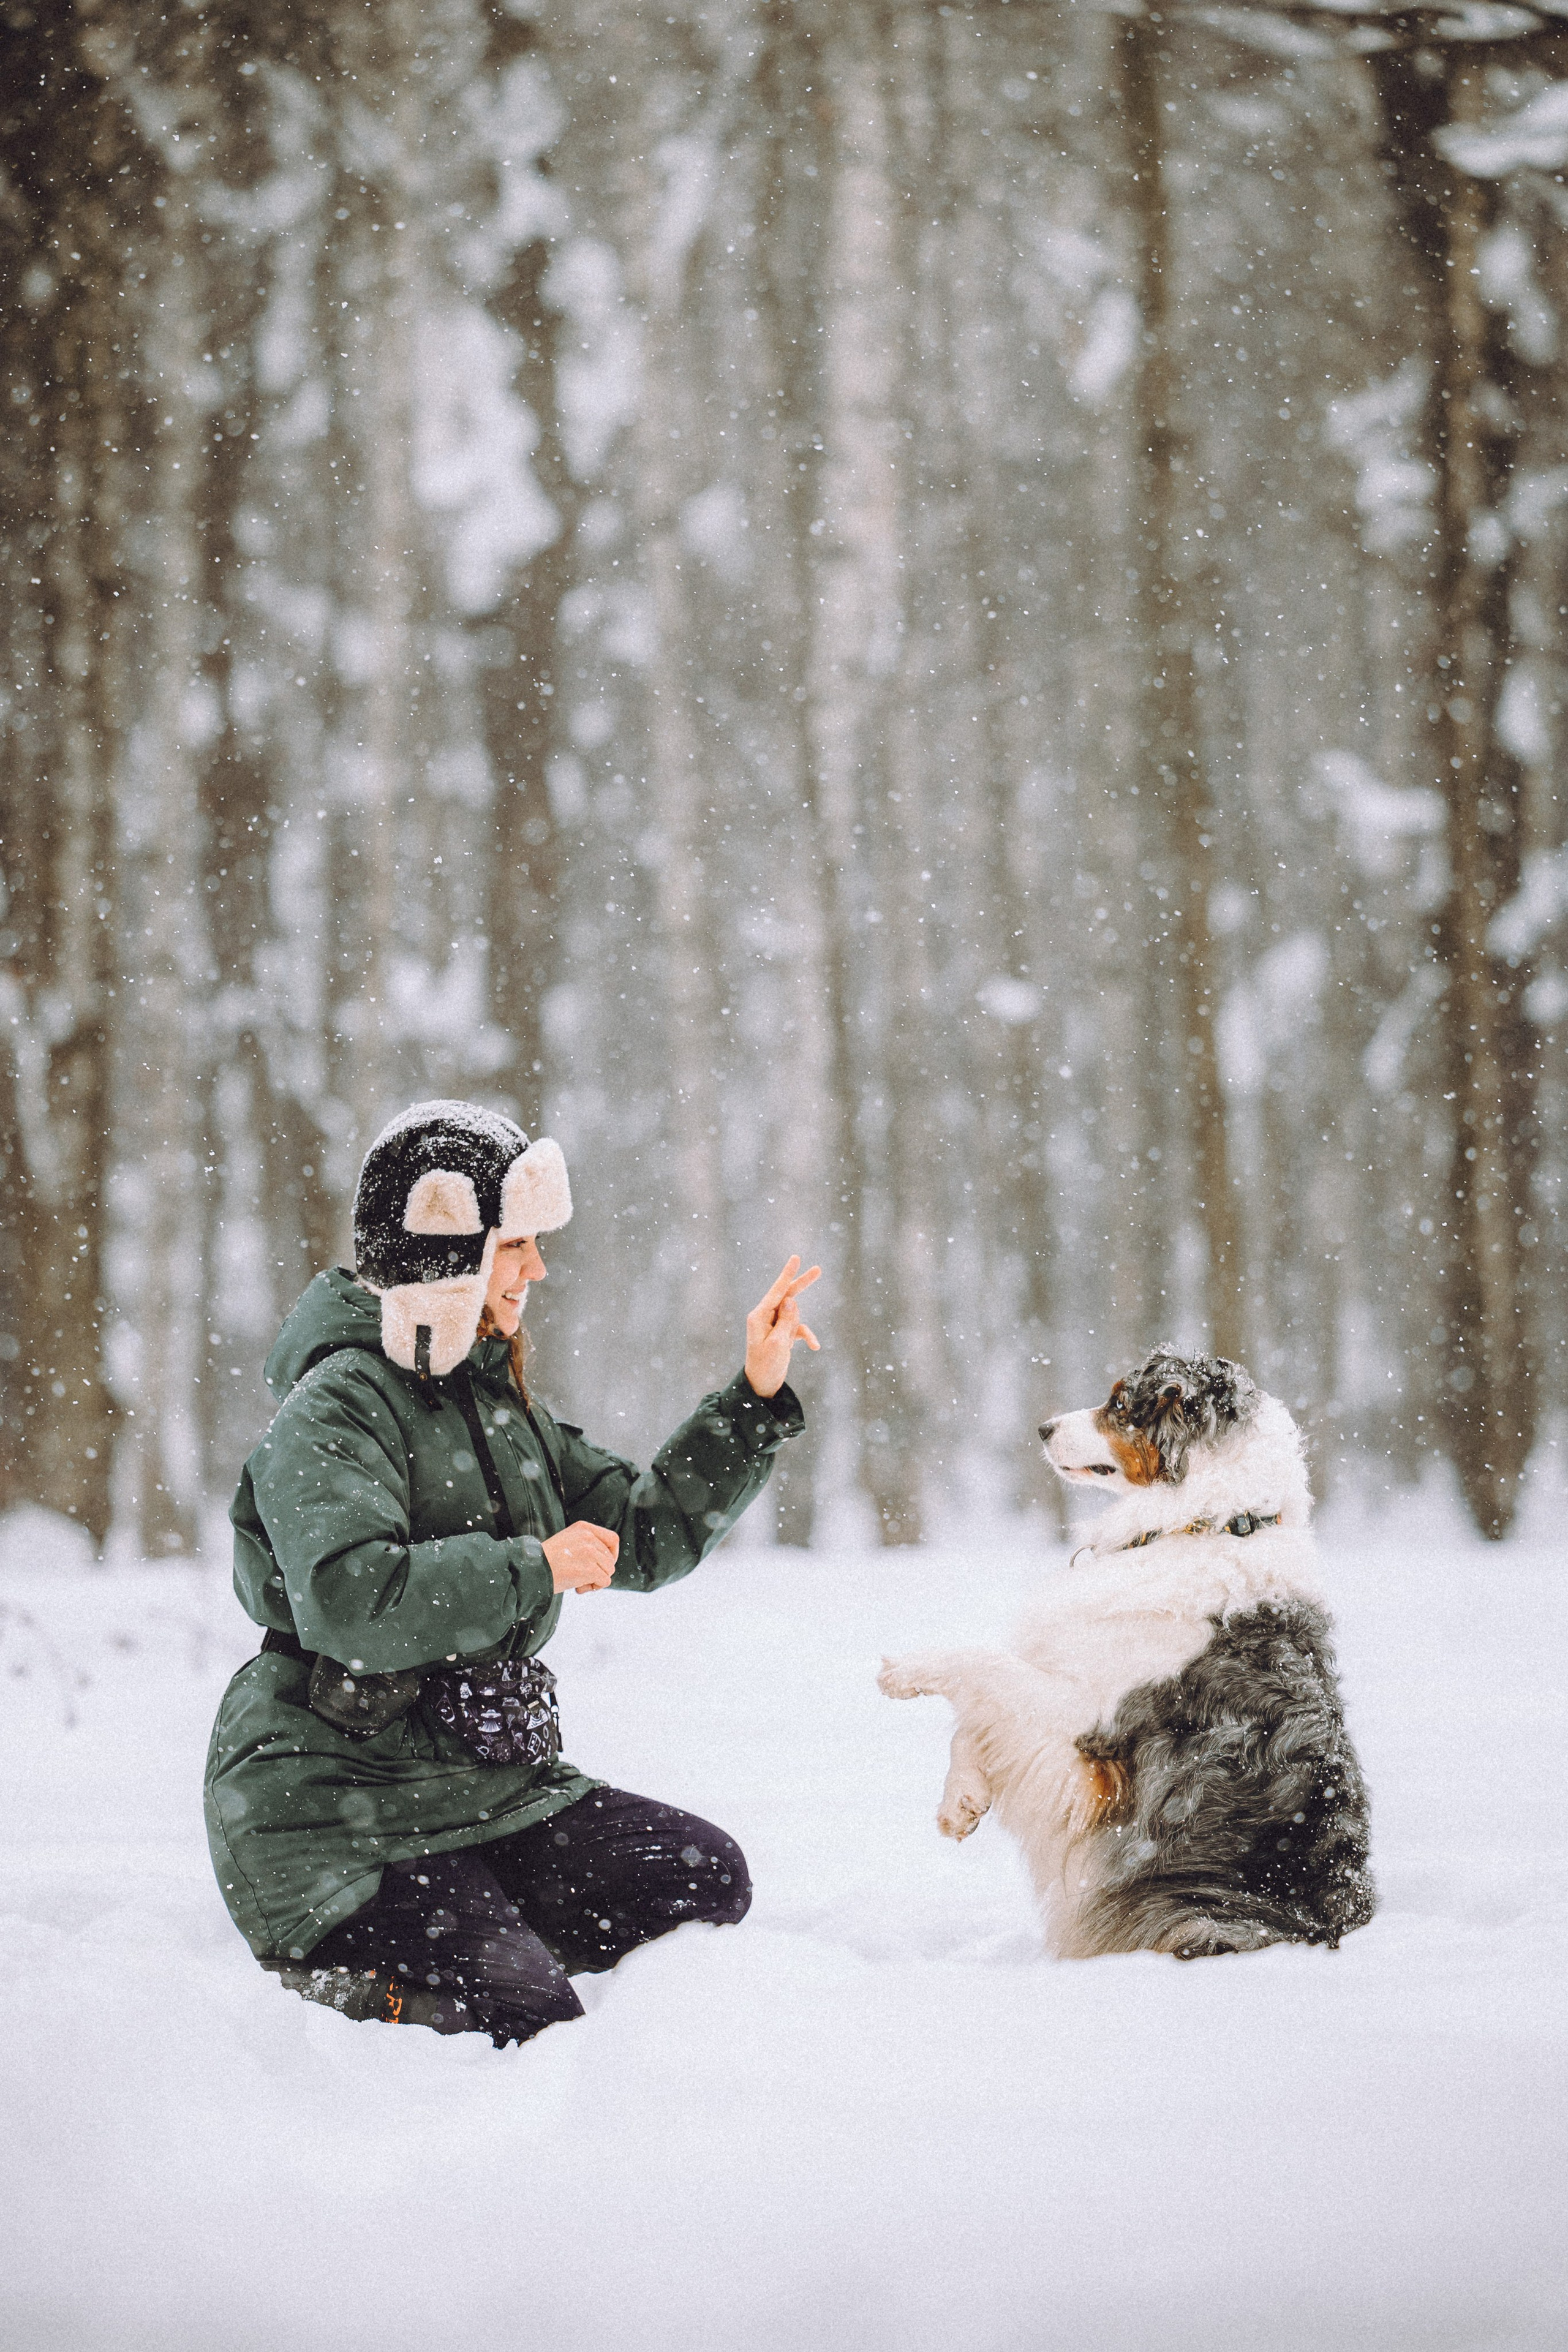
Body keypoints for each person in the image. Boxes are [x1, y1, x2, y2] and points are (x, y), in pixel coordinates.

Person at [204, 1098, 820, 2046]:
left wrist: (754, 1397)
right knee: (525, 2013)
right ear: (444, 1249)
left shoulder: (492, 1400)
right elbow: (350, 1601)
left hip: (486, 1795)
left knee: (703, 1875)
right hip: (330, 1818)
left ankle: (473, 1921)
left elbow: (642, 1534)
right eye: (514, 1245)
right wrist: (531, 1566)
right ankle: (336, 1986)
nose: (536, 1267)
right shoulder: (336, 1408)